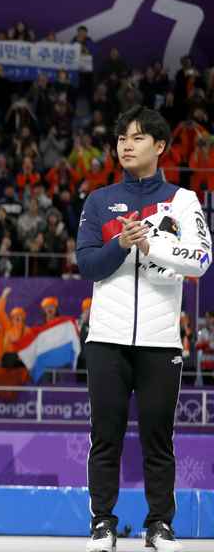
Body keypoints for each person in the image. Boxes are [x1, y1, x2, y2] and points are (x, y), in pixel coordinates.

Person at [76, 107, 211, 552]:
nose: (126, 145)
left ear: (160, 146)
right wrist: (121, 243)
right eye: (121, 138)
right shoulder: (99, 201)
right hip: (106, 340)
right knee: (105, 437)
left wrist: (151, 245)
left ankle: (160, 526)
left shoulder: (182, 201)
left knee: (158, 438)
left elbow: (200, 260)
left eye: (136, 138)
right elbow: (87, 264)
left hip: (160, 341)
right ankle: (102, 524)